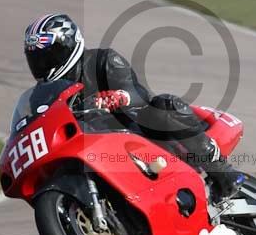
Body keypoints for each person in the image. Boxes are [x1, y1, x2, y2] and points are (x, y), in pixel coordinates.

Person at [15, 12, 244, 201]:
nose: (43, 64)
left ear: (69, 46)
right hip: (92, 149)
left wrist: (118, 97)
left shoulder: (102, 60)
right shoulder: (40, 97)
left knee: (164, 105)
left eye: (49, 56)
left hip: (134, 129)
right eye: (36, 59)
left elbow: (137, 92)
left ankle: (223, 174)